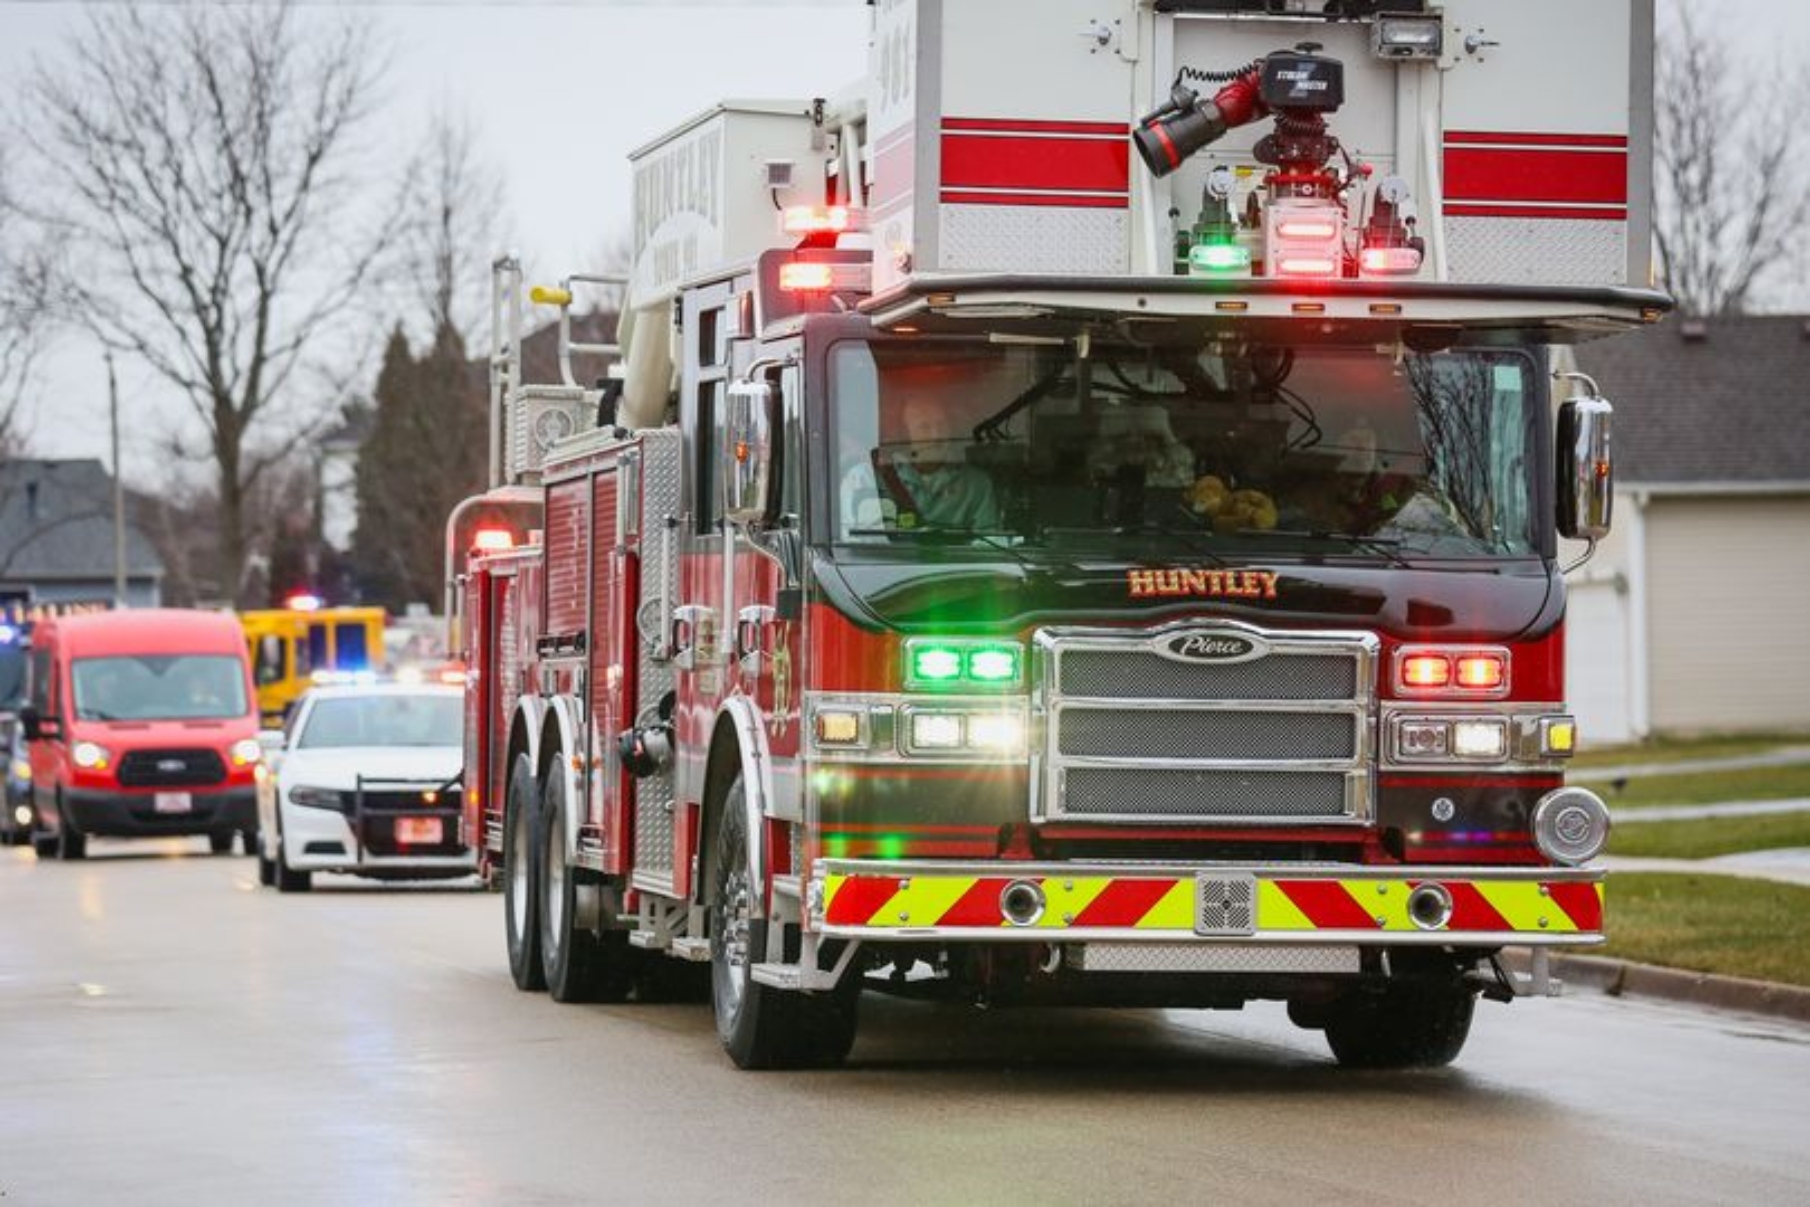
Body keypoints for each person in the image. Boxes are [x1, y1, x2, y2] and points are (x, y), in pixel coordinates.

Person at [843, 395, 999, 532]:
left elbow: (992, 547)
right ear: (903, 435)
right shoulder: (867, 478)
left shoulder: (976, 485)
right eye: (924, 427)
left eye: (942, 425)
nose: (937, 435)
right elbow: (855, 548)